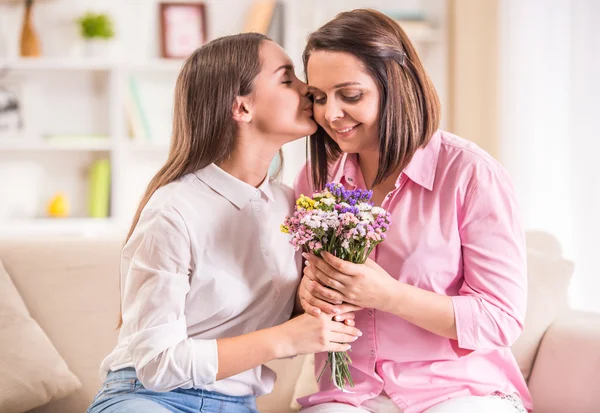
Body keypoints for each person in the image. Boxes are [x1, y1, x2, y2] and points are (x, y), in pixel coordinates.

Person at [86, 33, 361, 413]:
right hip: (147, 398)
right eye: (287, 79)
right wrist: (285, 339)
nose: (307, 90)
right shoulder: (174, 211)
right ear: (241, 108)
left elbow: (282, 315)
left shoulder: (293, 207)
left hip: (238, 404)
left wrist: (316, 304)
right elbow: (156, 364)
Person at [295, 9, 531, 413]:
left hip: (460, 392)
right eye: (318, 97)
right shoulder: (317, 179)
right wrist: (306, 296)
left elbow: (499, 319)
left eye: (350, 95)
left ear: (396, 85)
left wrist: (388, 296)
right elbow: (297, 300)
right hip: (350, 394)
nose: (330, 114)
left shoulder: (470, 174)